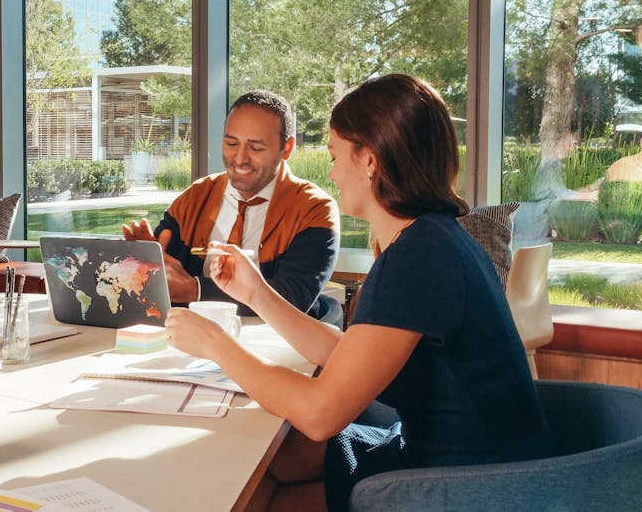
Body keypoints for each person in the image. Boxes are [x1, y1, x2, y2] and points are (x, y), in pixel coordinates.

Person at [165, 74, 552, 511]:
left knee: (259, 492)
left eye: (334, 155)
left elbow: (318, 415)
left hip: (470, 488)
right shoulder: (435, 238)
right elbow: (350, 353)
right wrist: (256, 293)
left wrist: (217, 345)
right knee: (277, 467)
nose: (331, 173)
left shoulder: (419, 258)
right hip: (461, 459)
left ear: (369, 160)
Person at [122, 90, 340, 319]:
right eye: (231, 143)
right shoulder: (195, 197)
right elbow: (167, 280)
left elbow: (292, 298)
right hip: (192, 339)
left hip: (274, 345)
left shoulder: (314, 209)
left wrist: (195, 290)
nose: (240, 158)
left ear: (287, 148)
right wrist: (148, 263)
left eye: (256, 147)